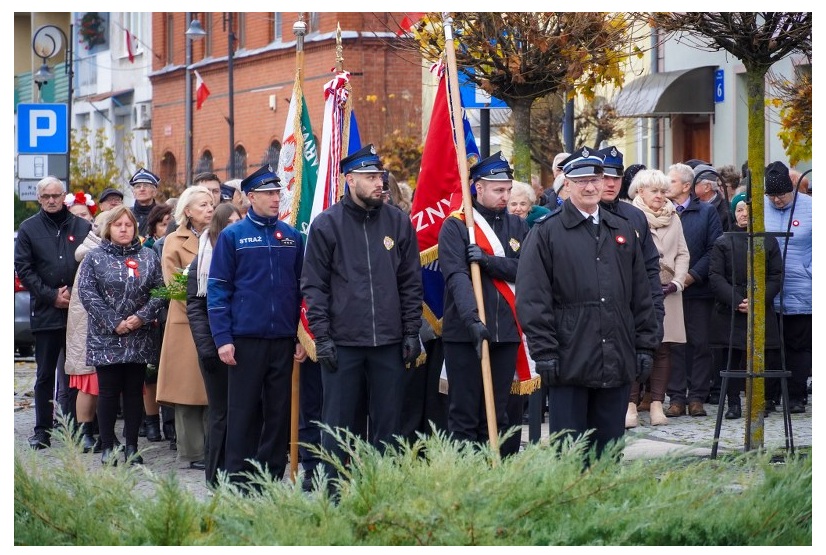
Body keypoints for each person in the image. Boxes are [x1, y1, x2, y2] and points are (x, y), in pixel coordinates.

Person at [515, 147, 659, 460]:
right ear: (567, 184)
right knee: (570, 454)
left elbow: (641, 293)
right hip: (570, 358)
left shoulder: (621, 229)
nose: (590, 187)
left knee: (608, 453)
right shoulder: (546, 232)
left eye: (596, 179)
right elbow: (532, 297)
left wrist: (645, 345)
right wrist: (545, 351)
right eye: (581, 181)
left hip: (616, 357)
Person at [301, 144, 422, 482]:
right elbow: (314, 286)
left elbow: (410, 281)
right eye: (370, 177)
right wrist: (322, 337)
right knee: (338, 425)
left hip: (389, 341)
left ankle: (383, 486)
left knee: (389, 426)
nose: (378, 183)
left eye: (379, 176)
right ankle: (334, 489)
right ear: (350, 179)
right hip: (343, 342)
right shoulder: (327, 224)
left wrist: (411, 331)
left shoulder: (398, 222)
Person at [208, 164, 306, 485]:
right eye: (268, 193)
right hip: (245, 339)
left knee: (278, 412)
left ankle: (271, 475)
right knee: (243, 411)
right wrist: (223, 338)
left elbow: (301, 289)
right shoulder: (232, 236)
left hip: (283, 339)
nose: (276, 198)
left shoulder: (292, 237)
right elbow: (218, 289)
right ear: (251, 197)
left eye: (278, 192)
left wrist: (301, 335)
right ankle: (238, 475)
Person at [438, 152, 530, 457]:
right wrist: (472, 320)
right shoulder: (457, 226)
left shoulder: (518, 226)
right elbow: (457, 277)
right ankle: (467, 473)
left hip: (506, 331)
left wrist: (489, 262)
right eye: (498, 190)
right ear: (478, 187)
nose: (505, 196)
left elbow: (527, 270)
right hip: (466, 333)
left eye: (508, 189)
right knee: (465, 414)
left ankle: (497, 470)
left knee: (499, 412)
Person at [77, 206, 165, 465]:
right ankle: (107, 446)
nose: (124, 229)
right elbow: (87, 293)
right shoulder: (95, 257)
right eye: (118, 225)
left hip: (139, 334)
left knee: (134, 392)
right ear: (109, 229)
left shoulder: (148, 256)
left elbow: (160, 290)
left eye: (128, 225)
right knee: (107, 391)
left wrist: (141, 317)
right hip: (106, 335)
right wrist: (114, 322)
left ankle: (131, 446)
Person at [15, 176, 92, 449]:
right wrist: (51, 296)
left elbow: (90, 264)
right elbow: (24, 268)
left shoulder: (82, 226)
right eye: (46, 196)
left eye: (56, 195)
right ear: (39, 198)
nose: (51, 200)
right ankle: (42, 430)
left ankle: (76, 429)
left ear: (64, 196)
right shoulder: (28, 228)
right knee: (45, 374)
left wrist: (72, 292)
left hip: (77, 311)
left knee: (76, 372)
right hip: (46, 311)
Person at [709, 192, 783, 419]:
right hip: (731, 308)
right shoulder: (723, 241)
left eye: (747, 209)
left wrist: (757, 300)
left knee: (762, 354)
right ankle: (733, 403)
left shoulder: (768, 240)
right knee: (731, 357)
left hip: (760, 306)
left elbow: (776, 275)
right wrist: (736, 300)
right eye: (739, 209)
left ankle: (760, 401)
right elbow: (715, 276)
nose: (744, 214)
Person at [156, 185, 214, 471]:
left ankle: (214, 447)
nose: (209, 208)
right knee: (188, 389)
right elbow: (174, 285)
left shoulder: (221, 235)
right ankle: (193, 451)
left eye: (211, 203)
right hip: (186, 321)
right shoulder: (174, 240)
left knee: (212, 387)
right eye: (203, 204)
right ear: (188, 211)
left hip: (218, 319)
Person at [627, 169, 690, 427]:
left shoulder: (674, 216)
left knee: (663, 348)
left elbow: (683, 252)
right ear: (640, 191)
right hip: (638, 290)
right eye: (654, 191)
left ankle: (656, 404)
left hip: (669, 291)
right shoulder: (628, 215)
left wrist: (677, 282)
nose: (660, 196)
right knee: (634, 345)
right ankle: (630, 405)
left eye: (664, 191)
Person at [186, 203, 242, 486]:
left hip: (242, 342)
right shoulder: (204, 259)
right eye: (229, 222)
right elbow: (196, 307)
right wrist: (208, 347)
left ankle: (237, 468)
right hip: (214, 345)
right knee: (220, 412)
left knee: (241, 410)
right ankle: (215, 474)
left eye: (238, 221)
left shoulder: (242, 253)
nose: (235, 227)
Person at [664, 163, 723, 418]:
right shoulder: (664, 211)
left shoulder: (707, 212)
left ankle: (697, 396)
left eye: (672, 181)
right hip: (670, 289)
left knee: (700, 343)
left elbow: (714, 249)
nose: (667, 185)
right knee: (674, 344)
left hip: (699, 289)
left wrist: (691, 276)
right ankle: (676, 397)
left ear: (686, 186)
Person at [763, 161, 812, 413]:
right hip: (769, 290)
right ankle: (768, 396)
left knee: (798, 346)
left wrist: (810, 272)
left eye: (781, 195)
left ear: (791, 188)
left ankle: (796, 396)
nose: (776, 200)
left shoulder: (811, 208)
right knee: (770, 346)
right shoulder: (761, 208)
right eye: (771, 196)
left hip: (802, 288)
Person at [65, 209, 111, 452]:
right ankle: (85, 432)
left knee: (106, 385)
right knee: (89, 383)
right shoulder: (90, 256)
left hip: (109, 327)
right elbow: (87, 297)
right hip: (89, 327)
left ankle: (104, 432)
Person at [692, 164, 733, 232]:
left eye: (694, 184)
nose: (690, 187)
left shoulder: (727, 210)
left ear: (707, 187)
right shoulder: (689, 205)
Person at [129, 168, 161, 237]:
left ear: (154, 192)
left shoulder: (161, 214)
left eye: (146, 186)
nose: (142, 189)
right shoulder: (127, 214)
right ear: (133, 193)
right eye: (138, 186)